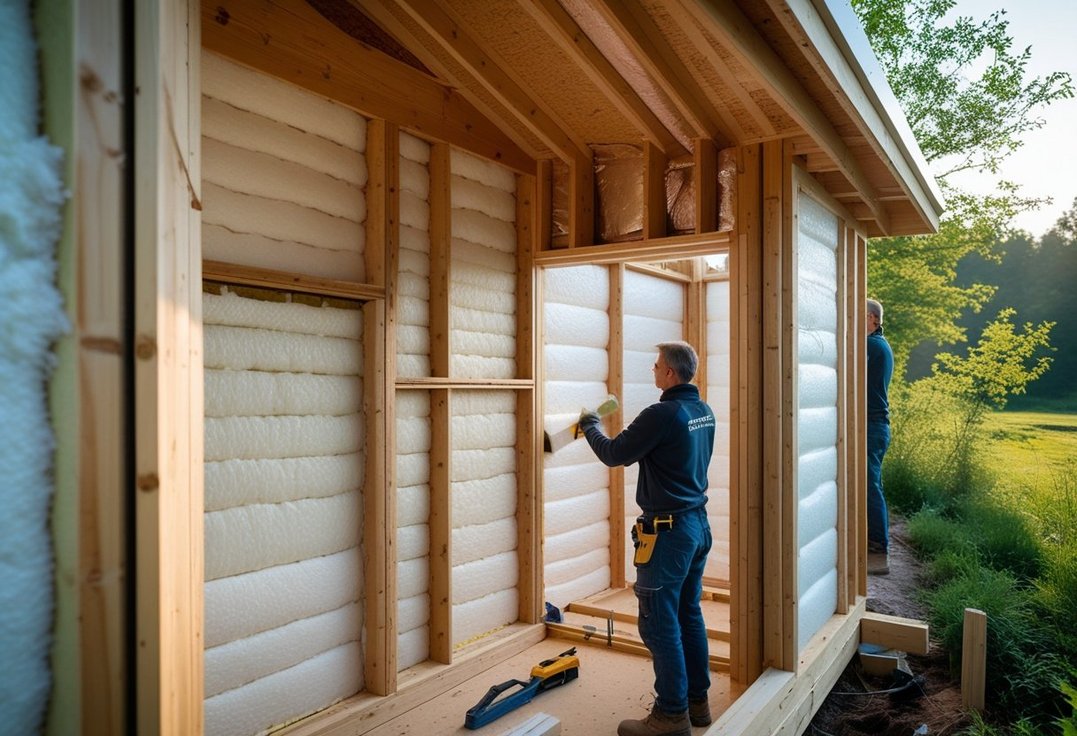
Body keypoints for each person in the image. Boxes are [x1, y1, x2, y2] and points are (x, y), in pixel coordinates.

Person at [578, 341, 716, 736]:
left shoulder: (662, 414)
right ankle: (697, 704)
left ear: (671, 373)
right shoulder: (702, 411)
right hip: (697, 526)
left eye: (657, 366)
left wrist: (589, 423)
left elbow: (613, 453)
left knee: (658, 624)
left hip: (669, 534)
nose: (653, 371)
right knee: (688, 613)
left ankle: (671, 716)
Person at [866, 298, 894, 575]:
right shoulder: (878, 345)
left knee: (869, 486)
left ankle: (877, 548)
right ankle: (875, 543)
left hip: (872, 427)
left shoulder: (871, 346)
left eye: (859, 315)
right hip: (876, 426)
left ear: (873, 318)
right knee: (871, 485)